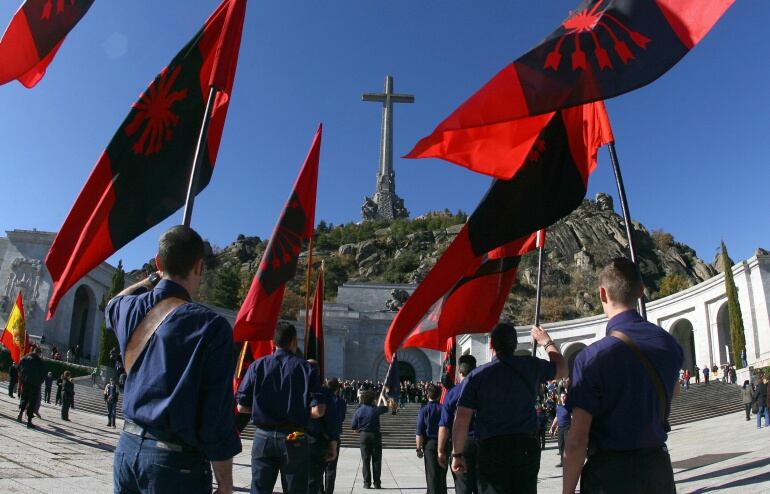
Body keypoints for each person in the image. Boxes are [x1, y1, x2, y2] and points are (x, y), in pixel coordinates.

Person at [106, 225, 241, 494]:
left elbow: (112, 304)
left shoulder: (130, 308)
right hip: (175, 464)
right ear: (199, 267)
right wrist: (225, 481)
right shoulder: (212, 327)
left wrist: (148, 282)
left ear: (158, 262)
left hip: (127, 448)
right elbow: (215, 414)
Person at [563, 258, 683, 494]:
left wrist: (567, 491)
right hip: (658, 471)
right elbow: (675, 390)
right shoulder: (670, 344)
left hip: (610, 476)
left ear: (602, 294)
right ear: (641, 291)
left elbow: (577, 440)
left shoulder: (591, 358)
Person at [451, 323, 567, 493]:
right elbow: (562, 370)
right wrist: (547, 342)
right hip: (525, 445)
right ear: (515, 344)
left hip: (492, 448)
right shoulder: (530, 365)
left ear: (491, 345)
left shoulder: (477, 376)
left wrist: (457, 454)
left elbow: (461, 419)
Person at [236, 321, 325, 494]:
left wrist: (262, 410)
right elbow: (318, 411)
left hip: (263, 436)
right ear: (293, 341)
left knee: (259, 489)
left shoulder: (257, 366)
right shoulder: (307, 368)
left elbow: (241, 407)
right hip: (295, 436)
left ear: (273, 342)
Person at [437, 354, 478, 494]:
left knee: (462, 487)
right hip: (484, 443)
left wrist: (441, 450)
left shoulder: (452, 393)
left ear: (460, 372)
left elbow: (444, 426)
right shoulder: (485, 390)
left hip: (461, 444)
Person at [306, 362, 339, 494]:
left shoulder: (294, 388)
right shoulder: (325, 394)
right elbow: (331, 421)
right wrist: (333, 445)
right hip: (315, 440)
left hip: (292, 439)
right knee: (313, 481)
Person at [351, 390, 389, 489]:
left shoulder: (358, 410)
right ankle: (377, 483)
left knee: (365, 460)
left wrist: (358, 430)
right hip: (375, 435)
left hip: (364, 436)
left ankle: (366, 483)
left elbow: (353, 426)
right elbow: (386, 407)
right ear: (372, 400)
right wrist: (383, 398)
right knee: (376, 459)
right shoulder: (375, 409)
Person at [416, 384, 447, 494]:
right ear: (439, 395)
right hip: (444, 443)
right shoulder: (444, 409)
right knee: (442, 474)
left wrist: (418, 448)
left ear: (427, 395)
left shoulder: (424, 410)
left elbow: (419, 431)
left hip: (430, 444)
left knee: (431, 474)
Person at [324, 378, 347, 494]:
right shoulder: (341, 402)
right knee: (331, 468)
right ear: (338, 389)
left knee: (317, 467)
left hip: (320, 436)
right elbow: (341, 418)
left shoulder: (321, 399)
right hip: (334, 436)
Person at [17, 346, 46, 428]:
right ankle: (29, 421)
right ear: (39, 353)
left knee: (24, 398)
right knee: (32, 402)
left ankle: (20, 414)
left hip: (25, 382)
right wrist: (39, 381)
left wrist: (23, 377)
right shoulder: (40, 362)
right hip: (35, 384)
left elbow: (19, 368)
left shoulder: (25, 358)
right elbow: (43, 374)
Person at [549, 392, 571, 468]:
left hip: (568, 427)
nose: (563, 398)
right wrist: (552, 427)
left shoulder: (569, 406)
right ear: (560, 398)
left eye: (564, 396)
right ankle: (562, 462)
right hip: (561, 428)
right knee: (561, 445)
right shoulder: (559, 407)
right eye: (562, 397)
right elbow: (557, 418)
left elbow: (573, 416)